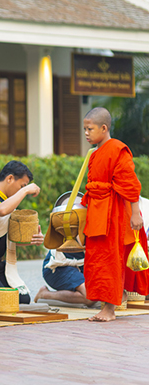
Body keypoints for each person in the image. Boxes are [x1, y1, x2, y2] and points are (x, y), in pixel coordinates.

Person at [81, 107, 149, 321]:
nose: (86, 133)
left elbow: (130, 185)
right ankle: (107, 304)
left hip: (114, 214)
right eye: (84, 129)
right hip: (97, 213)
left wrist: (135, 214)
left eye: (90, 129)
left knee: (111, 259)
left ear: (104, 127)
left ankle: (109, 309)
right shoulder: (95, 154)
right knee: (96, 260)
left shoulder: (118, 149)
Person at [0, 161, 44, 307]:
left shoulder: (9, 202)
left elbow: (11, 237)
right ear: (10, 179)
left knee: (23, 299)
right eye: (22, 185)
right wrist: (26, 191)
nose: (22, 190)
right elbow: (1, 210)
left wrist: (34, 239)